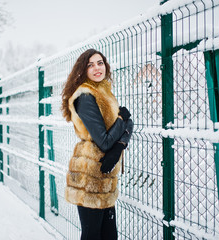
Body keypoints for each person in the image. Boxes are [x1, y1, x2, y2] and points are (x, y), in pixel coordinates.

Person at [61, 48, 133, 240]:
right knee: (93, 235)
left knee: (109, 236)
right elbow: (104, 141)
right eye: (90, 65)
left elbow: (128, 123)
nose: (97, 68)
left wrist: (120, 147)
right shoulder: (85, 96)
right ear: (83, 70)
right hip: (90, 174)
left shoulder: (104, 92)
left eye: (100, 63)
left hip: (106, 173)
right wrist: (121, 121)